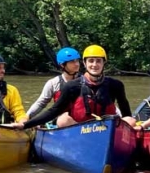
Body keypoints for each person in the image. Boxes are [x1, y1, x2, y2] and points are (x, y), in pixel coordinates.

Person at [8, 45, 136, 129]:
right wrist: (26, 124)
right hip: (80, 129)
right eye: (91, 61)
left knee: (130, 121)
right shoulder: (71, 86)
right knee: (62, 119)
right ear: (85, 64)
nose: (95, 65)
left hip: (107, 129)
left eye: (99, 61)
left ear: (104, 63)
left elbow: (125, 113)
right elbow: (53, 111)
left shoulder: (116, 85)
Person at [26, 47, 82, 119]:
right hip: (62, 120)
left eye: (77, 61)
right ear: (62, 65)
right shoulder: (53, 83)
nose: (77, 64)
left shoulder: (85, 80)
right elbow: (41, 103)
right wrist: (27, 116)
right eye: (72, 62)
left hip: (82, 119)